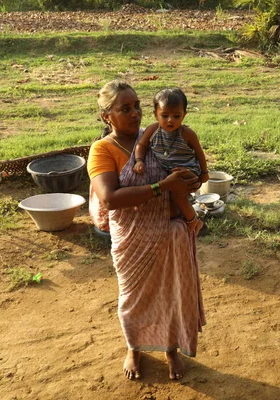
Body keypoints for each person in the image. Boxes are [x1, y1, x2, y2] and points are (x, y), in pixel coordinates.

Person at [87, 80, 206, 381]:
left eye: (137, 106)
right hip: (132, 240)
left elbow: (184, 162)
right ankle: (134, 347)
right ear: (106, 116)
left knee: (169, 295)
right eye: (125, 109)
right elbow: (110, 198)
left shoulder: (157, 137)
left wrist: (190, 179)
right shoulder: (102, 150)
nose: (135, 113)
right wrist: (161, 187)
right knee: (133, 299)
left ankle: (170, 349)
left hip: (168, 232)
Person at [133, 88, 209, 234]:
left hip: (187, 170)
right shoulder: (153, 130)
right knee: (164, 193)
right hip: (165, 171)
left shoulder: (187, 134)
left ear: (184, 115)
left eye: (176, 116)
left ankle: (193, 221)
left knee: (177, 192)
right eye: (165, 115)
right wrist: (139, 160)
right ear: (156, 114)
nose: (170, 120)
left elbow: (199, 153)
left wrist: (204, 173)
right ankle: (178, 216)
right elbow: (141, 145)